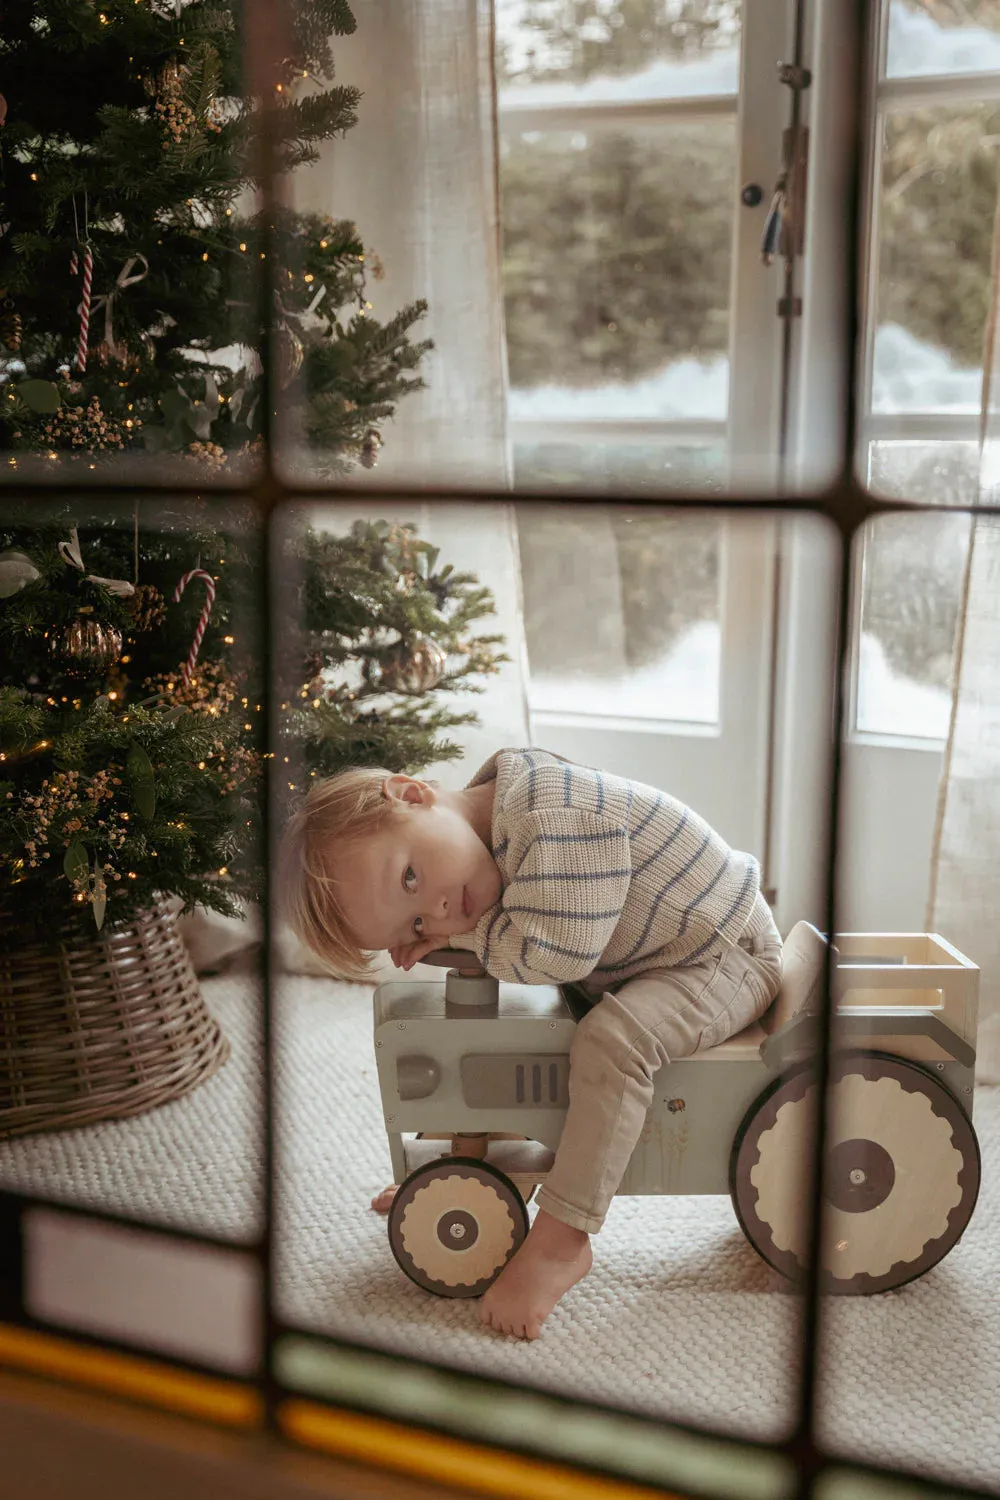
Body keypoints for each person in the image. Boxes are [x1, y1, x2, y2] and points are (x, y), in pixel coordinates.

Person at [282, 746, 783, 1340]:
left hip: (721, 953)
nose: (440, 910)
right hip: (648, 956)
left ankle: (563, 1239)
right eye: (416, 926)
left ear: (413, 795)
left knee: (613, 1043)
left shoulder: (552, 816)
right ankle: (473, 1166)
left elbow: (556, 953)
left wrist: (464, 937)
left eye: (411, 877)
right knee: (541, 1028)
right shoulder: (498, 821)